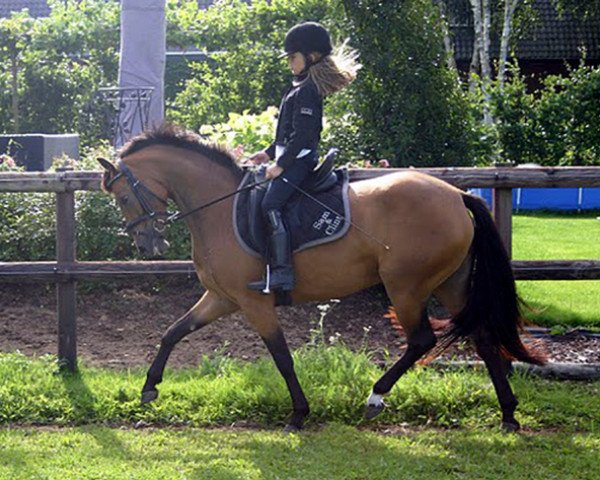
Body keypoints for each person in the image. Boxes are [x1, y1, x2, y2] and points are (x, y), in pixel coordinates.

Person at [247, 21, 360, 293]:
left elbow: (303, 138)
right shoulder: (299, 86)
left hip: (300, 162)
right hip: (291, 158)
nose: (289, 63)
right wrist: (268, 152)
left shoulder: (308, 91)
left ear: (311, 57)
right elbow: (287, 134)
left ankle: (283, 274)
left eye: (292, 57)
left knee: (270, 204)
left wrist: (280, 166)